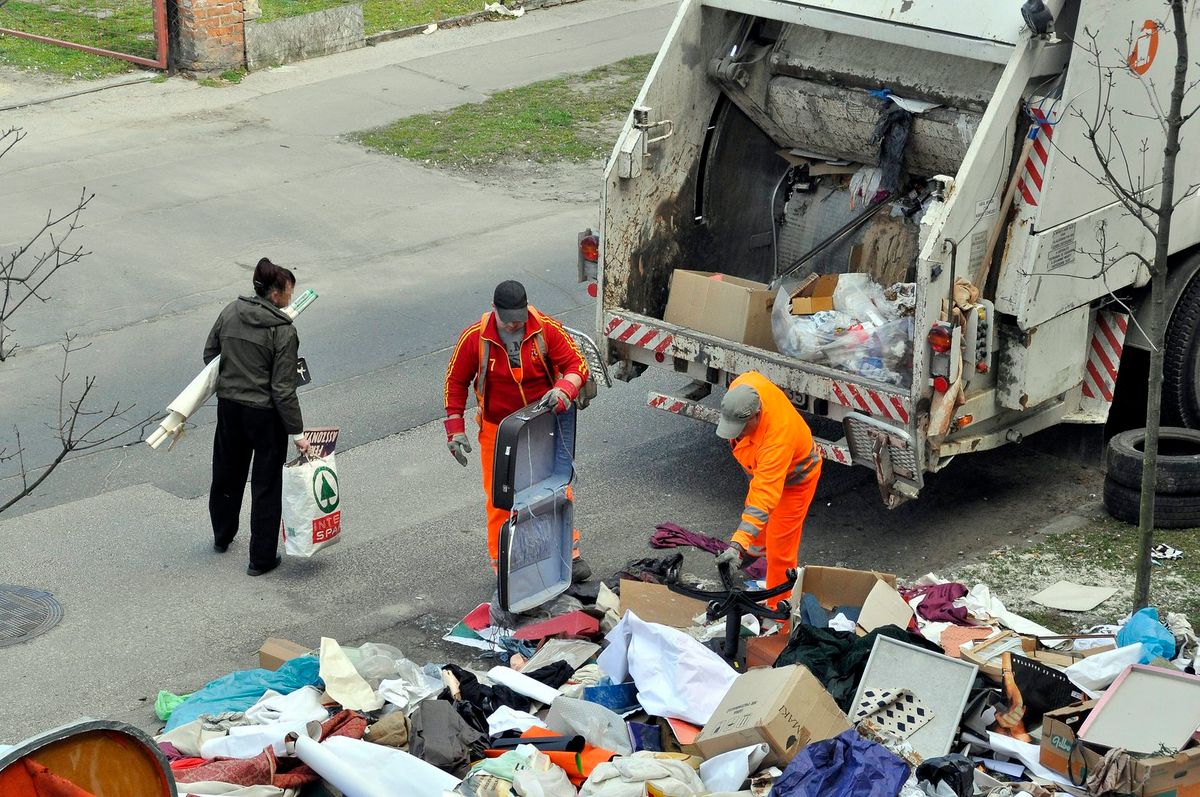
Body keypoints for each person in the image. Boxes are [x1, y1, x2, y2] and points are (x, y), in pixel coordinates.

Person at [443, 280, 592, 581]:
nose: (514, 326)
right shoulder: (475, 338)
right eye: (507, 320)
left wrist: (564, 389)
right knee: (501, 498)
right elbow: (455, 382)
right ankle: (504, 567)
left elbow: (578, 365)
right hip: (498, 431)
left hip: (543, 424)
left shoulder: (545, 328)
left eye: (518, 320)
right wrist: (455, 430)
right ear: (493, 308)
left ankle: (568, 554)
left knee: (555, 488)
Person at [204, 258, 310, 577]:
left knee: (227, 473)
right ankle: (260, 559)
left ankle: (222, 537)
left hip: (230, 408)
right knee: (265, 485)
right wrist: (298, 432)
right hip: (265, 417)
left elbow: (211, 354)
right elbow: (282, 388)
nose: (292, 297)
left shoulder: (230, 312)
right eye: (289, 291)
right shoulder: (283, 332)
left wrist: (234, 377)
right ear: (276, 294)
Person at [714, 371, 822, 609]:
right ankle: (756, 548)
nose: (737, 434)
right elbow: (759, 490)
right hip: (762, 470)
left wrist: (737, 544)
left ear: (757, 415)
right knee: (757, 518)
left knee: (781, 553)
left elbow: (764, 495)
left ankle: (779, 612)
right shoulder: (743, 387)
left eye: (741, 428)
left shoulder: (776, 439)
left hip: (796, 482)